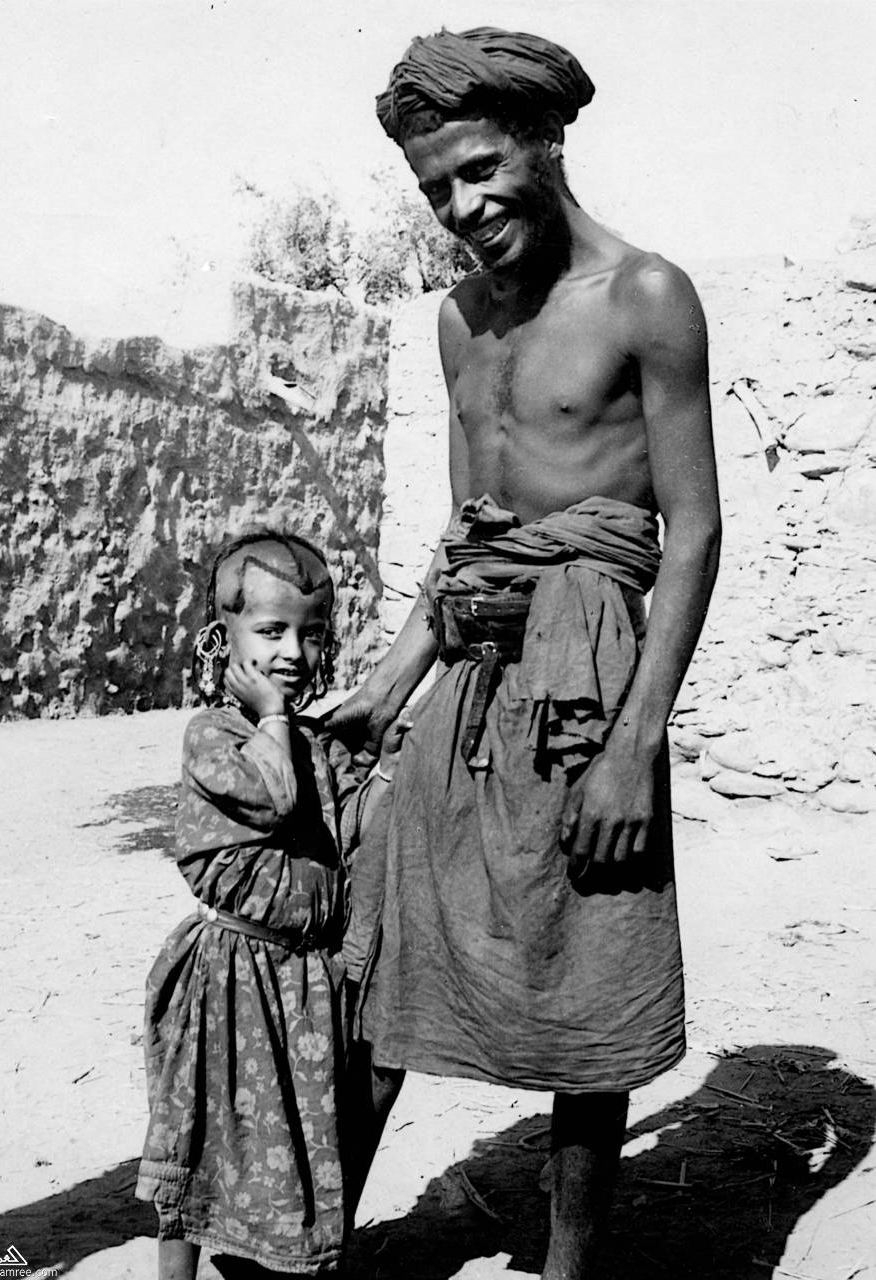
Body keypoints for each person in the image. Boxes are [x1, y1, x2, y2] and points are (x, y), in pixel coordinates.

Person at [328, 26, 722, 1280]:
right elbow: (469, 538)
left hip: (589, 684)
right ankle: (310, 1240)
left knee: (588, 970)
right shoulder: (460, 322)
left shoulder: (645, 295)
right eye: (434, 187)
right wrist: (389, 685)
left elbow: (693, 529)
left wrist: (633, 746)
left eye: (481, 169)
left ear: (546, 142)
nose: (462, 207)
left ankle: (567, 1263)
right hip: (474, 674)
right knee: (384, 949)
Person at [135, 528, 403, 1280]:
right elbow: (273, 796)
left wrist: (385, 770)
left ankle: (272, 1261)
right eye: (271, 630)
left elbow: (349, 833)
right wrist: (277, 719)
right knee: (201, 1130)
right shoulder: (214, 735)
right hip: (230, 973)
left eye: (311, 634)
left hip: (301, 978)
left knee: (287, 1132)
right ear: (223, 640)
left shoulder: (311, 742)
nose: (293, 652)